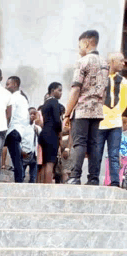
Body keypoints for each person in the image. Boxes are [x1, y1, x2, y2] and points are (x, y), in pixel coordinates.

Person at [63, 30, 109, 185]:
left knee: (79, 143)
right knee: (94, 144)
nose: (79, 48)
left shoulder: (82, 61)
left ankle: (75, 176)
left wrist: (67, 113)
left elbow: (75, 89)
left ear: (87, 42)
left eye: (80, 44)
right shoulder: (105, 63)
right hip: (97, 110)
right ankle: (94, 178)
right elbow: (105, 90)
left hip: (82, 109)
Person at [97, 53, 127, 188]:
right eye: (121, 60)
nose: (123, 63)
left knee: (114, 154)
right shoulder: (100, 78)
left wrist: (113, 113)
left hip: (115, 122)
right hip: (100, 122)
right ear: (113, 61)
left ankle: (115, 181)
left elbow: (124, 102)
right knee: (96, 152)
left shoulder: (124, 81)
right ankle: (93, 178)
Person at [5, 75, 30, 183]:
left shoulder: (14, 98)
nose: (6, 87)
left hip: (13, 130)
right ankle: (20, 178)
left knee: (15, 158)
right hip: (20, 130)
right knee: (16, 157)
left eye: (7, 84)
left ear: (15, 84)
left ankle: (19, 180)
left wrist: (5, 127)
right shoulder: (23, 98)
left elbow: (10, 115)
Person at [38, 82, 63, 183]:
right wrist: (60, 133)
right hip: (52, 134)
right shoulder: (55, 102)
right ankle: (48, 187)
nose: (61, 93)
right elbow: (57, 120)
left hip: (43, 133)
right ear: (52, 91)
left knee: (44, 162)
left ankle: (43, 184)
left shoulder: (45, 104)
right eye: (59, 90)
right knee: (50, 162)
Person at [105, 115, 127, 187]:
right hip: (120, 156)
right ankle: (112, 182)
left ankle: (112, 182)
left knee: (117, 171)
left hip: (121, 156)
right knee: (117, 171)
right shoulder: (119, 135)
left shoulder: (118, 134)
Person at [21, 107, 42, 183]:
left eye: (34, 114)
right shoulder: (23, 127)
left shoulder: (37, 128)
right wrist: (21, 150)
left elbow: (41, 136)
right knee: (21, 174)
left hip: (34, 154)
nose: (32, 115)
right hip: (25, 153)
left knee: (33, 177)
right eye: (31, 114)